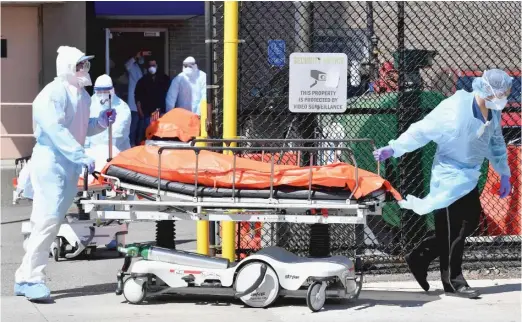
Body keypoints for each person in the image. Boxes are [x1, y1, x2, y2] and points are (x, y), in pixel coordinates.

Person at [373, 69, 513, 299]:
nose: (505, 97)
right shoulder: (454, 109)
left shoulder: (493, 113)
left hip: (468, 178)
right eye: (504, 92)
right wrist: (394, 148)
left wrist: (504, 173)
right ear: (489, 90)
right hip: (448, 178)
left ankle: (420, 256)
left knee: (468, 222)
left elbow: (496, 143)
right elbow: (422, 130)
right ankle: (453, 282)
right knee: (453, 230)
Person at [13, 46, 116, 301]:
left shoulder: (81, 95)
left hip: (68, 164)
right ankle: (32, 278)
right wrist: (79, 155)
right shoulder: (52, 94)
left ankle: (23, 275)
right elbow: (56, 131)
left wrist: (101, 122)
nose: (84, 70)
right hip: (51, 162)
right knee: (46, 221)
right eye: (80, 65)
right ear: (68, 67)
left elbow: (81, 127)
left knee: (48, 223)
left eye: (85, 65)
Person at [86, 74, 132, 153]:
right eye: (99, 92)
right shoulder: (90, 103)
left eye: (105, 91)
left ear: (112, 91)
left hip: (117, 153)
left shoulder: (122, 108)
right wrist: (86, 150)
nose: (102, 94)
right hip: (93, 152)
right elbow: (84, 128)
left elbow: (117, 136)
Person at [135, 57, 171, 143]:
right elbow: (137, 97)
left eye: (153, 65)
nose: (152, 67)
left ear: (157, 66)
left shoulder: (164, 79)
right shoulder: (142, 81)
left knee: (160, 135)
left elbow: (170, 95)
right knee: (146, 135)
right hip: (147, 113)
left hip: (161, 113)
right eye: (150, 65)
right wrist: (140, 111)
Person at [124, 51, 148, 146]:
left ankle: (139, 142)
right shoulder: (133, 66)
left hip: (143, 101)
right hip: (134, 102)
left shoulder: (145, 70)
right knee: (134, 124)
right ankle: (131, 143)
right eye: (140, 57)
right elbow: (127, 65)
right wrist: (135, 56)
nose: (142, 59)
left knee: (141, 125)